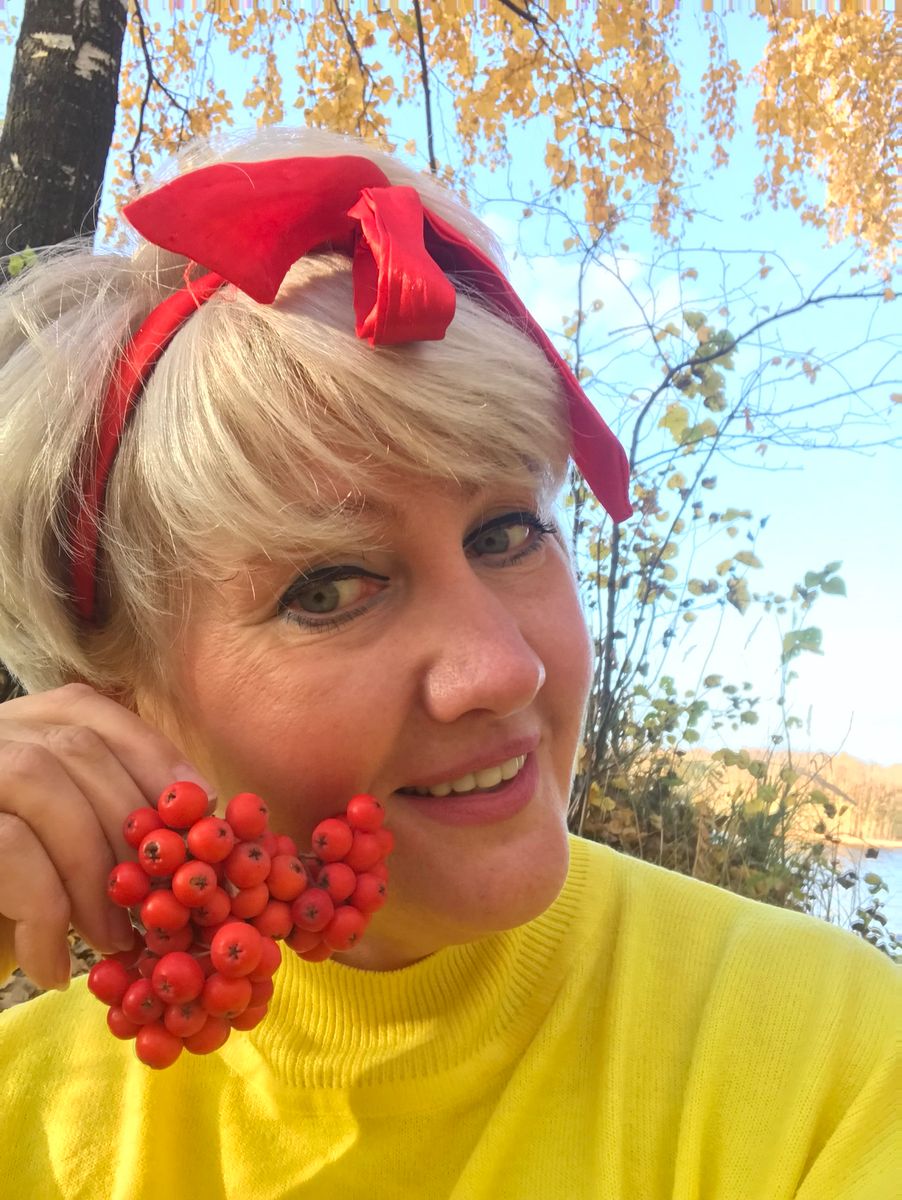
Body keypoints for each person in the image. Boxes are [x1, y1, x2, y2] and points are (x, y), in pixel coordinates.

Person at [0, 128, 897, 1200]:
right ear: (117, 700)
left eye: (507, 532)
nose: (500, 670)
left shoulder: (821, 1056)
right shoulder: (34, 1116)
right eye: (328, 589)